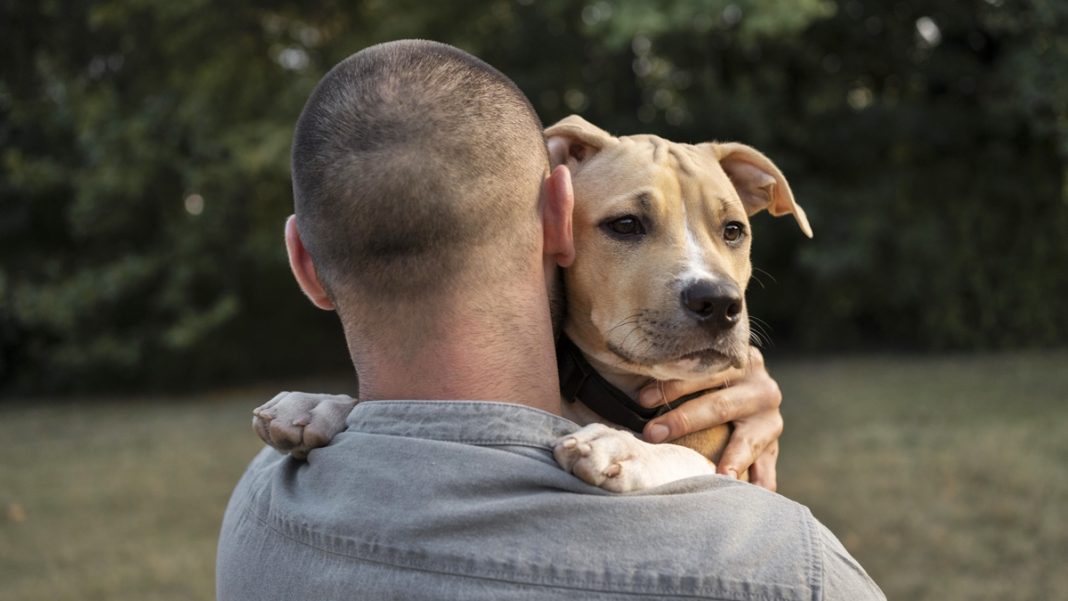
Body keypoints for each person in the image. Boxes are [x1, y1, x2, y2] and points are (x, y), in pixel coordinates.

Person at [216, 40, 884, 600]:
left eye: (732, 230)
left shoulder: (256, 509)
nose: (709, 282)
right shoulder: (790, 569)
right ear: (557, 216)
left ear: (306, 263)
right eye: (627, 225)